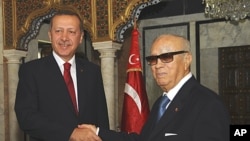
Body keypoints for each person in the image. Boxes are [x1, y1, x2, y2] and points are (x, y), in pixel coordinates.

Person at [79, 34, 230, 141]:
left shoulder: (207, 104)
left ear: (187, 60)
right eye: (153, 59)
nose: (157, 65)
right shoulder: (161, 103)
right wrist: (98, 132)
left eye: (166, 57)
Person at [15, 9, 109, 141]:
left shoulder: (92, 71)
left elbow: (101, 118)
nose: (64, 38)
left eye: (71, 32)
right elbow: (26, 117)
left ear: (80, 37)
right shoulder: (31, 71)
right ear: (50, 35)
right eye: (58, 31)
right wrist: (71, 133)